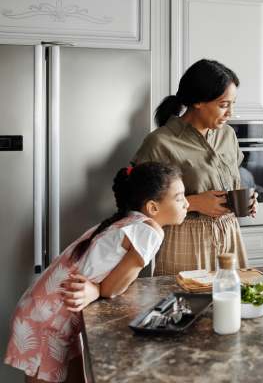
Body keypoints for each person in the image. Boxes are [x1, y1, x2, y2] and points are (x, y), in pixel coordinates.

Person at [4, 162, 188, 383]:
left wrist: (95, 289)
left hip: (44, 311)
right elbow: (112, 288)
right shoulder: (149, 232)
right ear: (153, 208)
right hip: (47, 320)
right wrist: (98, 289)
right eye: (179, 198)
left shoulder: (130, 220)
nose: (187, 204)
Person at [133, 59, 257, 275]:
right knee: (187, 305)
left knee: (236, 302)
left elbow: (235, 180)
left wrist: (247, 200)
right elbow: (138, 205)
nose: (230, 113)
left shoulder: (228, 135)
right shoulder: (160, 142)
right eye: (223, 104)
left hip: (230, 235)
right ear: (198, 101)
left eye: (232, 103)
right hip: (184, 239)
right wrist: (192, 203)